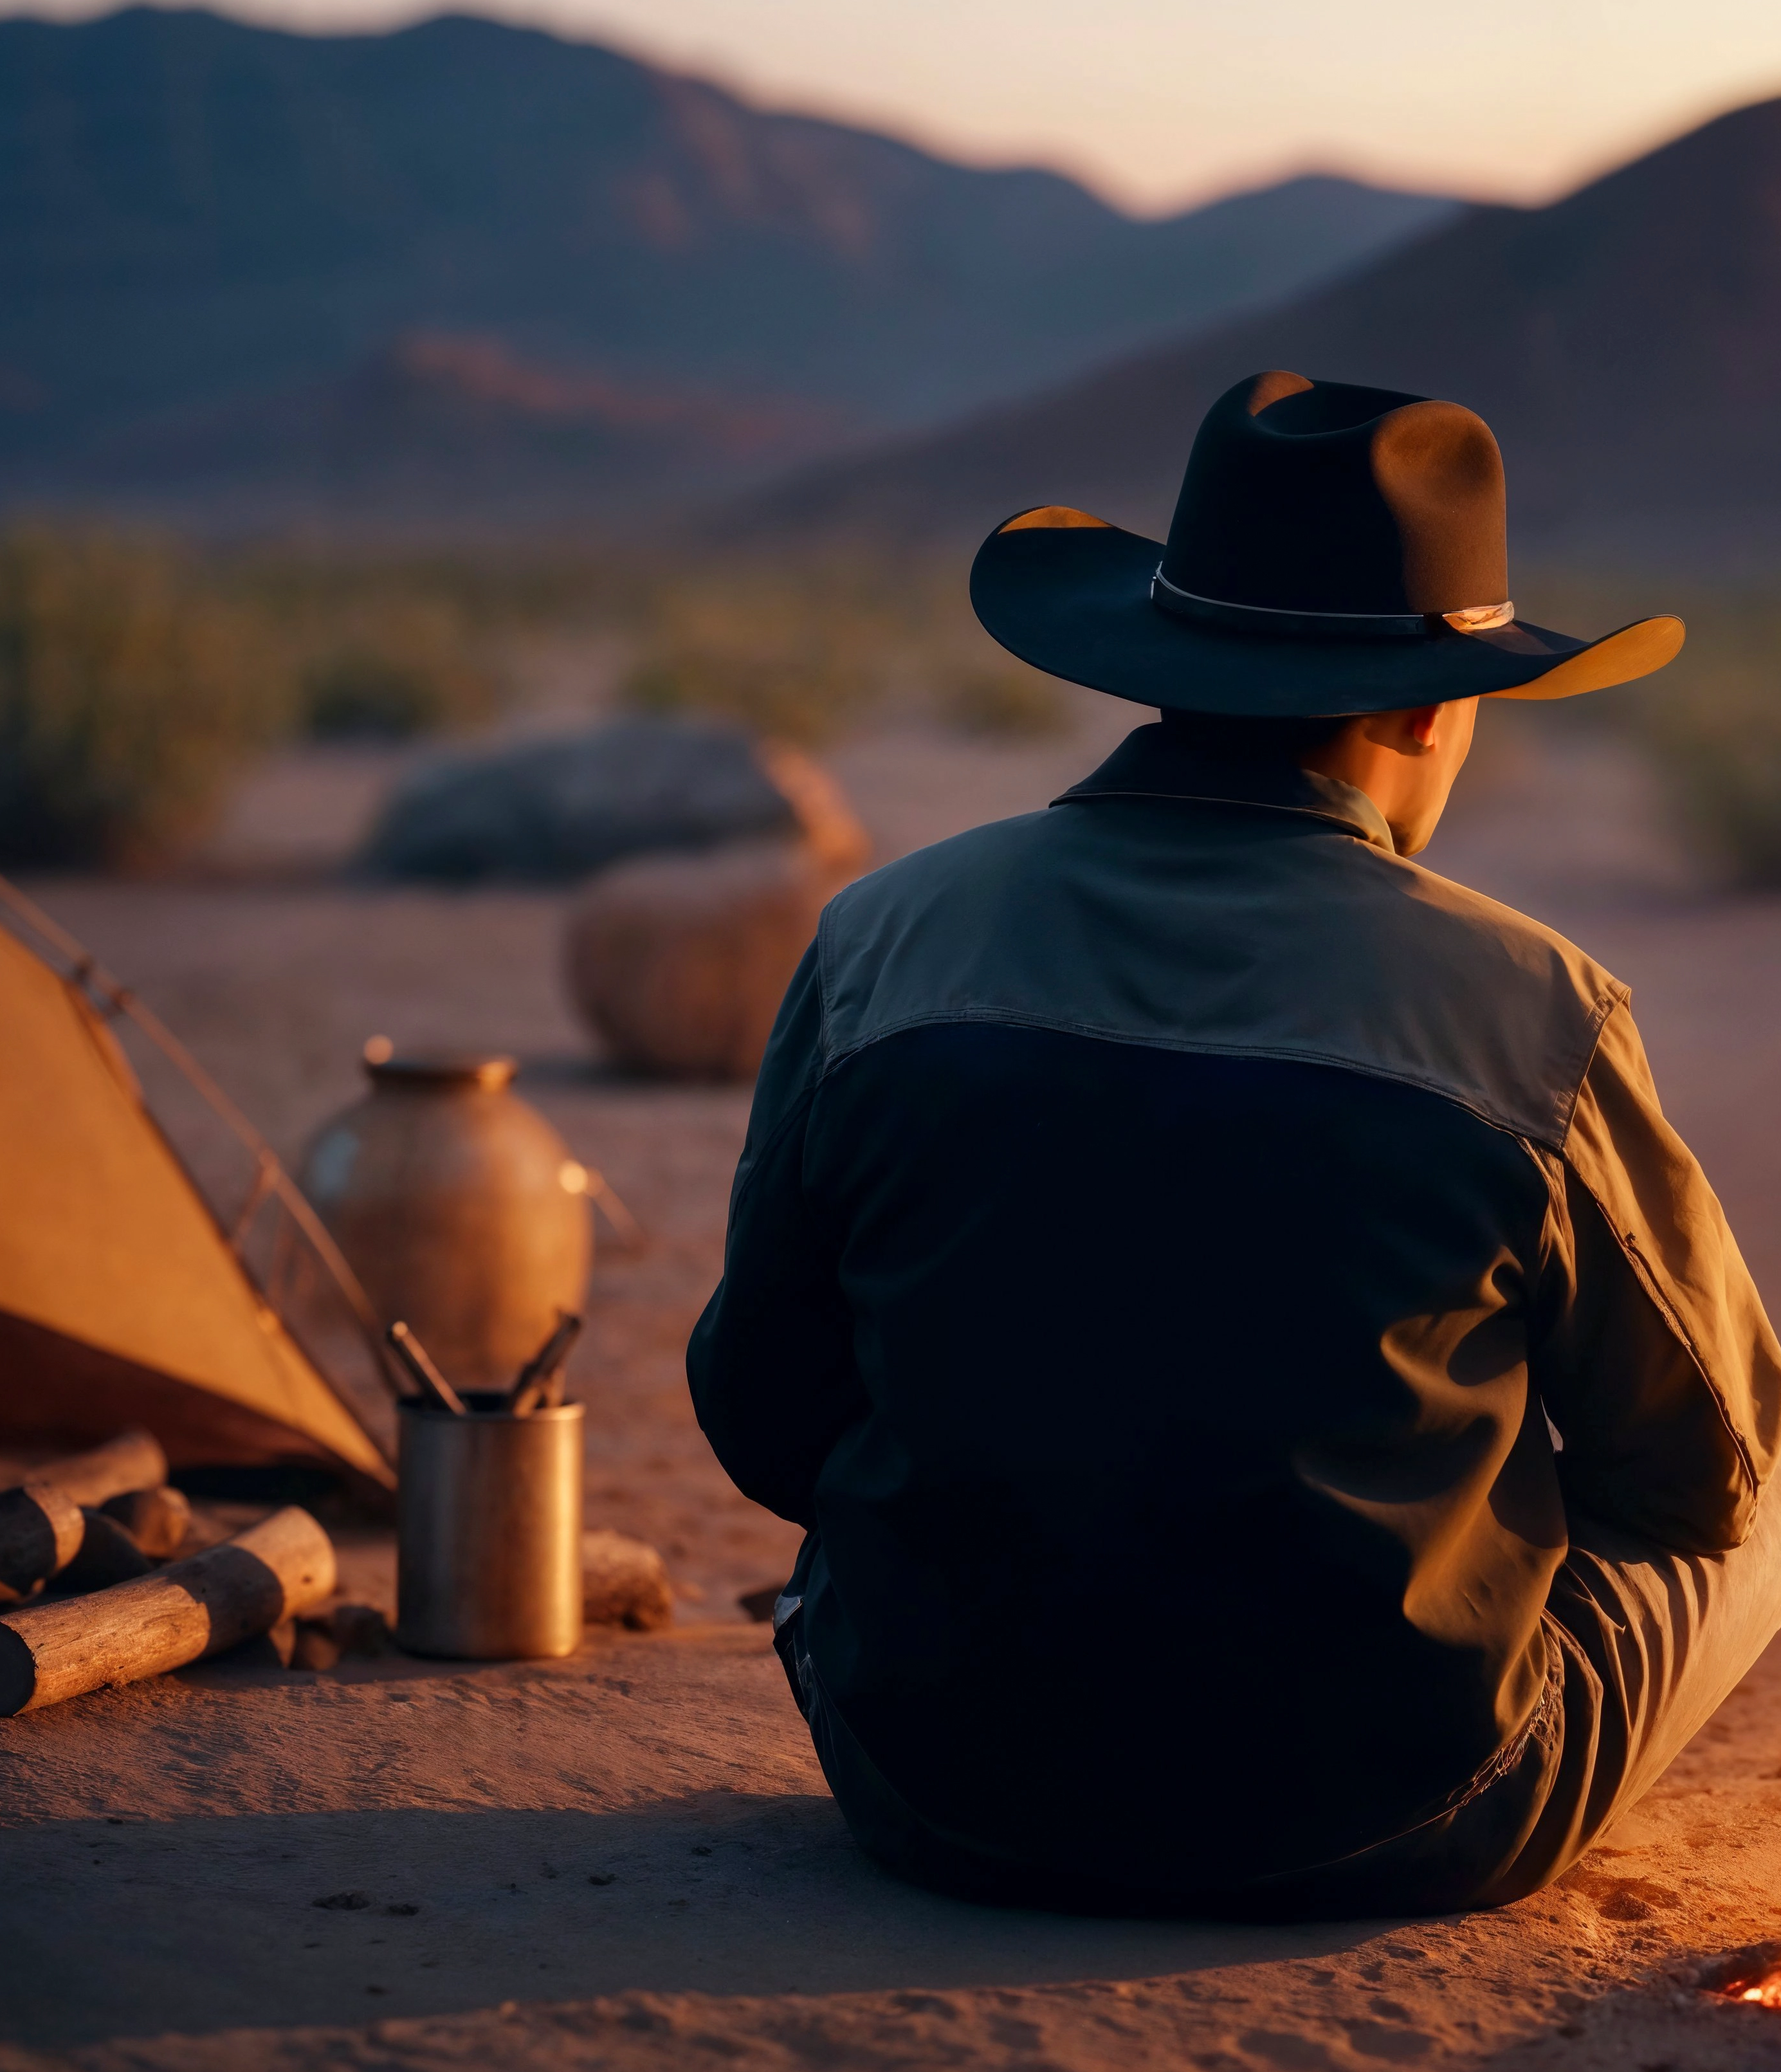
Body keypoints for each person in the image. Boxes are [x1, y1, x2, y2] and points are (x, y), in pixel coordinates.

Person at [686, 371, 1781, 1920]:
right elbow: (1704, 1469)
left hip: (931, 1780)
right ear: (1426, 704)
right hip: (1397, 1812)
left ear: (1164, 656)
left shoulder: (884, 936)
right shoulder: (1531, 1006)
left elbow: (763, 1411)